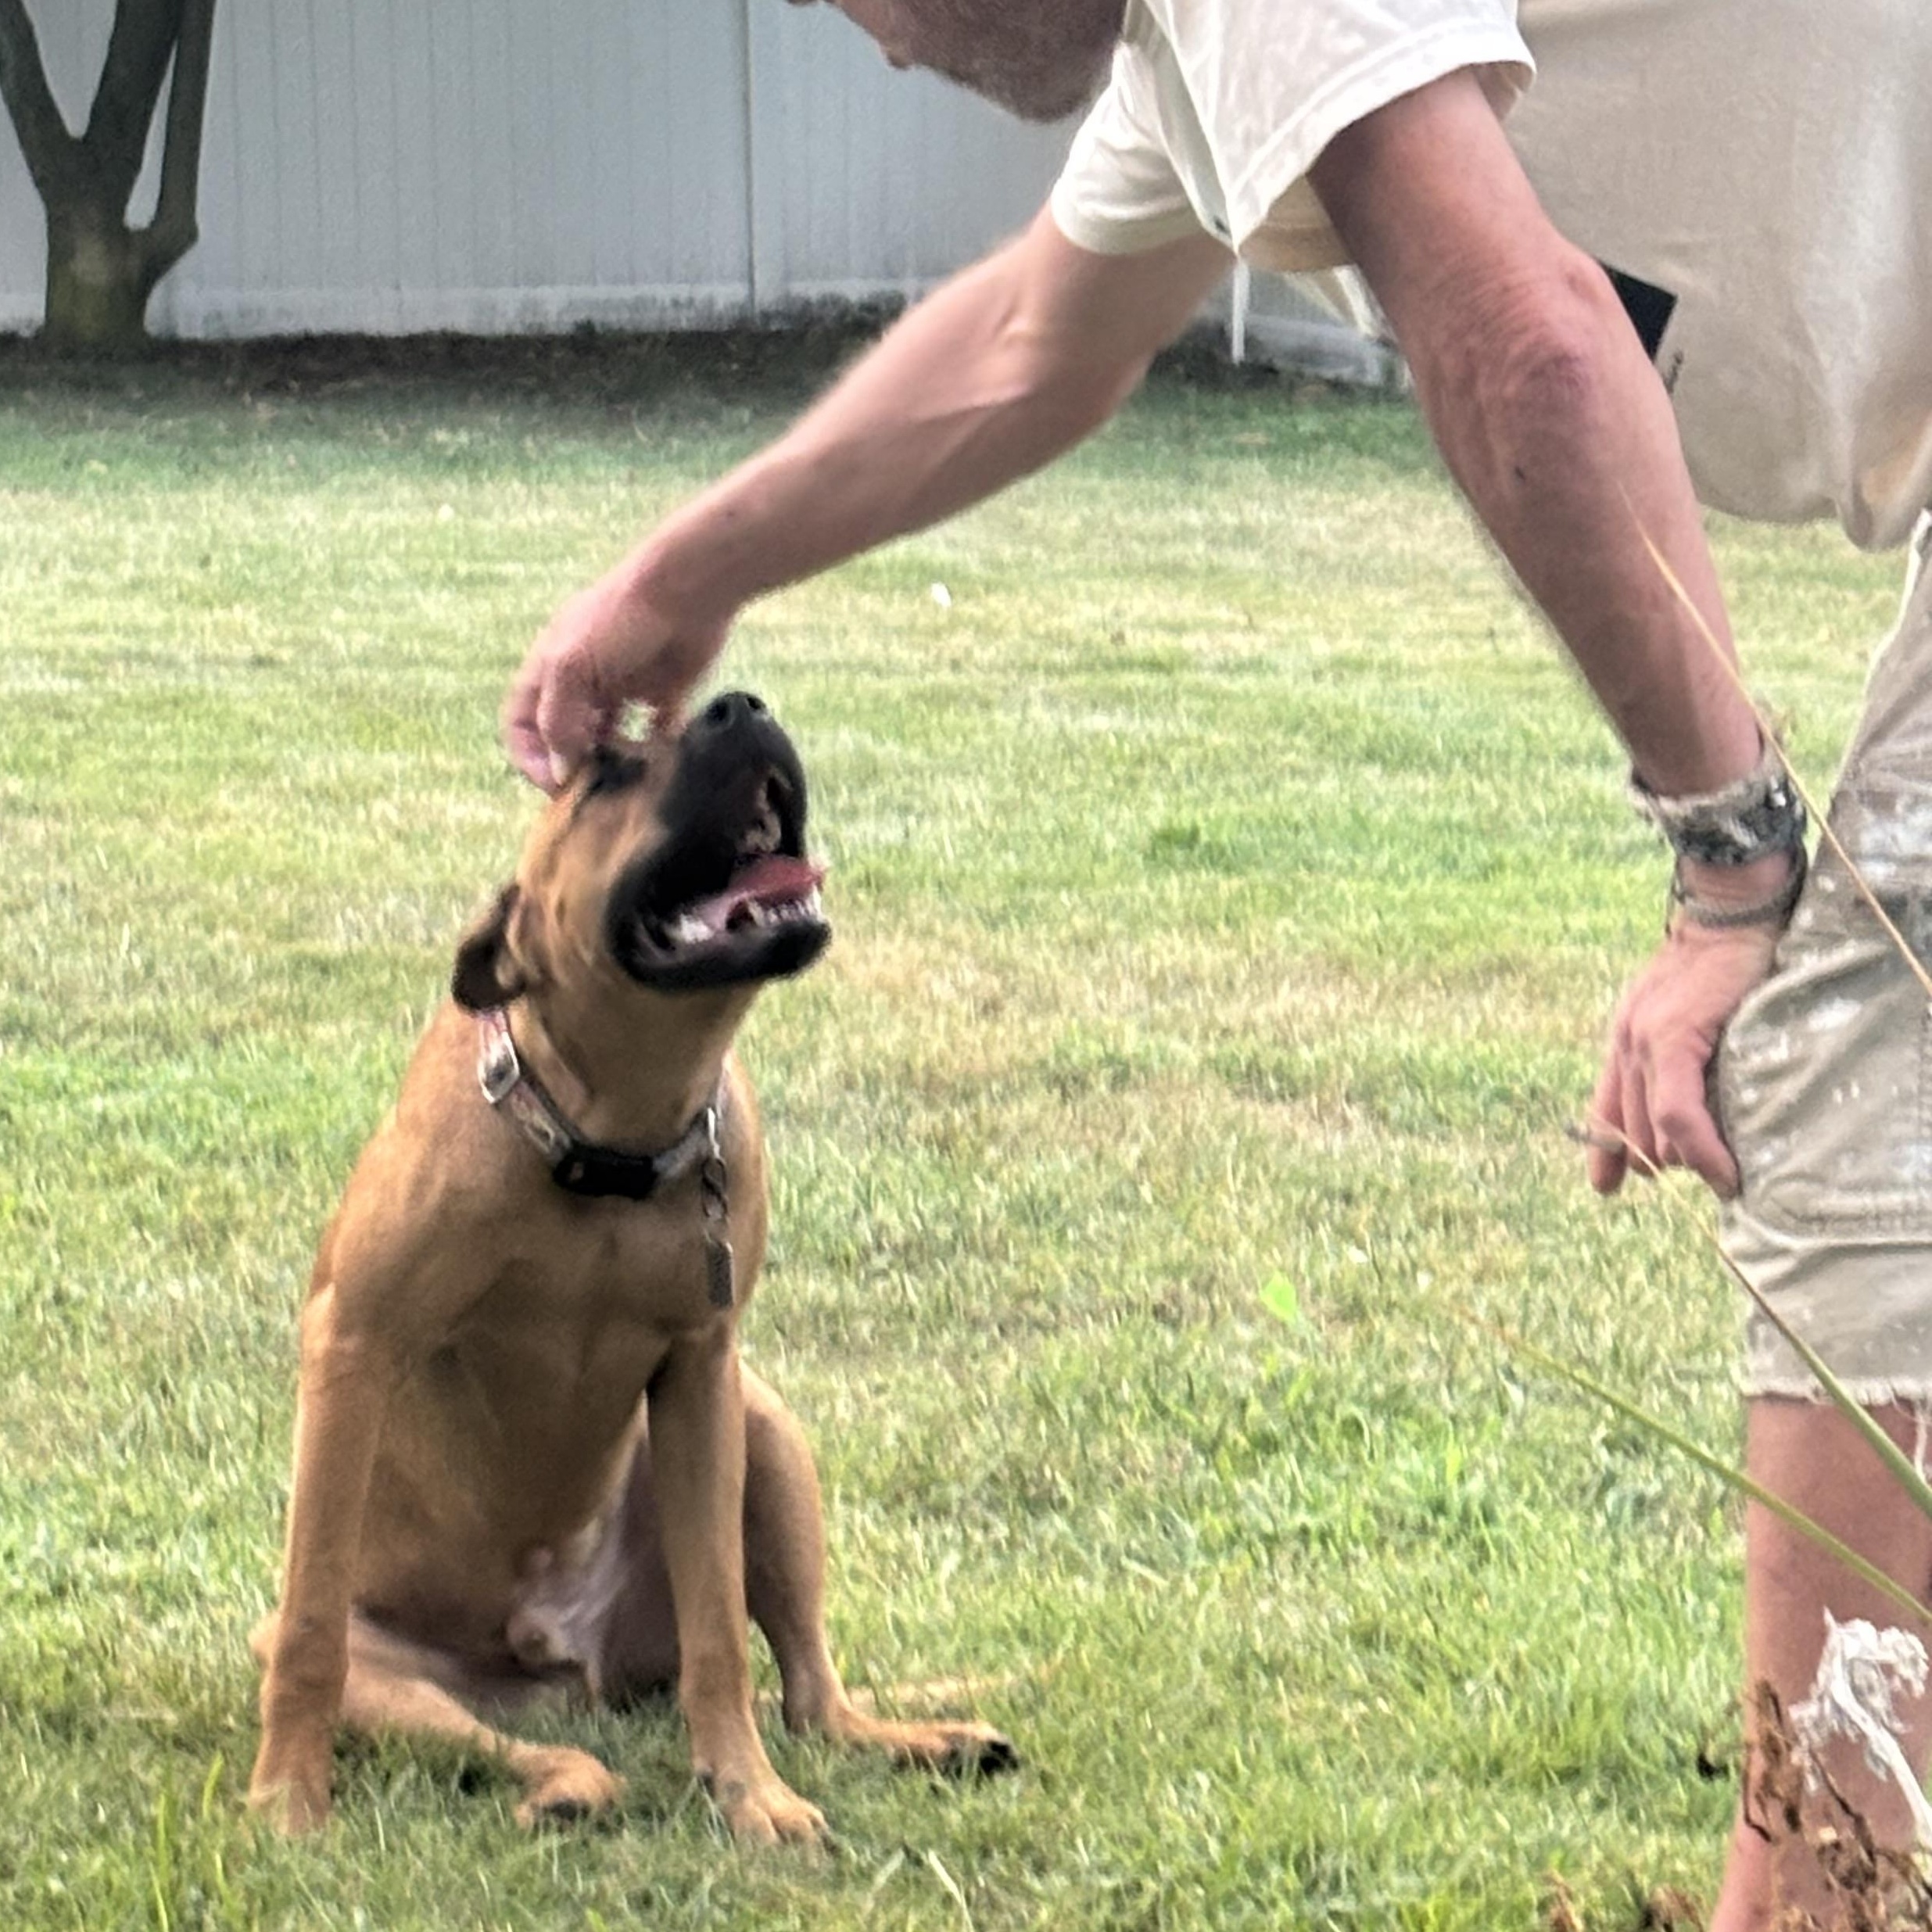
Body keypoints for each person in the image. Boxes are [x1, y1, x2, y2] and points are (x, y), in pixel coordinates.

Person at [503, 4, 1932, 1923]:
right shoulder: (1210, 42)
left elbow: (1519, 335)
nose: (884, 49)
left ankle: (1822, 1903)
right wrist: (687, 575)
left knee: (1849, 1079)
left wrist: (1732, 858)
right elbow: (1035, 340)